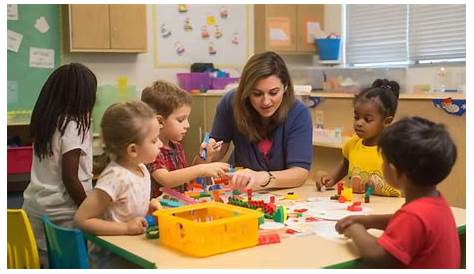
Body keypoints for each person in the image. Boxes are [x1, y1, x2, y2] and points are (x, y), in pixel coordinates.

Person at [335, 117, 459, 268]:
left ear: (394, 171)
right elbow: (403, 224)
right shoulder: (434, 202)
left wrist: (354, 229)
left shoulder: (413, 215)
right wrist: (368, 221)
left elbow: (377, 255)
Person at [194, 51, 313, 191]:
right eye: (256, 94)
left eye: (274, 92)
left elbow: (299, 172)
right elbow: (215, 151)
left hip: (282, 191)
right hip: (240, 190)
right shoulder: (231, 102)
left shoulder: (299, 113)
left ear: (285, 87)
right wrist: (205, 156)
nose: (266, 102)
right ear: (246, 90)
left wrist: (263, 178)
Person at [22, 63, 97, 267]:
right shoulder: (74, 124)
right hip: (63, 213)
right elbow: (70, 178)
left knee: (45, 261)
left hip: (36, 206)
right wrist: (91, 209)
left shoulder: (47, 120)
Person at [74, 101, 162, 268]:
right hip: (111, 260)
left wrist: (148, 208)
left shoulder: (141, 168)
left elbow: (125, 208)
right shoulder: (115, 177)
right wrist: (125, 228)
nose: (161, 144)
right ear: (133, 150)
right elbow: (81, 220)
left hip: (135, 252)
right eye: (154, 140)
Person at [141, 80, 229, 197]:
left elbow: (186, 176)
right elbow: (166, 179)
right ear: (160, 121)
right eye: (181, 120)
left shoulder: (176, 145)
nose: (187, 125)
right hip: (159, 210)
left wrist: (203, 158)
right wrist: (202, 168)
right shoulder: (151, 150)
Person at [317, 79, 401, 196]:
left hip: (383, 208)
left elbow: (401, 188)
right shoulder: (353, 143)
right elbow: (346, 163)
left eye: (367, 119)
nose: (359, 123)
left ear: (386, 122)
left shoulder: (392, 150)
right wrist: (332, 179)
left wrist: (376, 187)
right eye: (356, 117)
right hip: (355, 206)